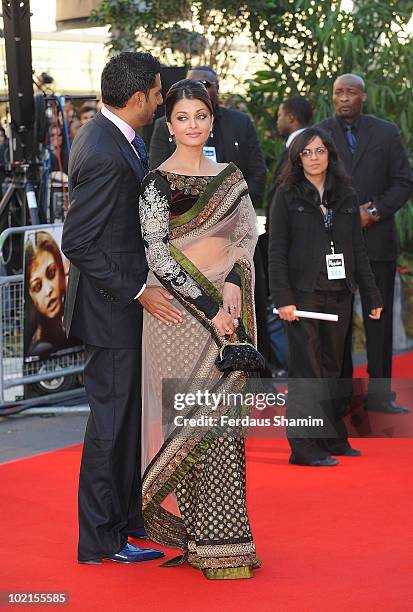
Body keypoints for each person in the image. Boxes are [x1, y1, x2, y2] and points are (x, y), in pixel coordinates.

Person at [62, 52, 182, 565]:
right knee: (110, 427)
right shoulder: (107, 152)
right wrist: (139, 290)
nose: (160, 101)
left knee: (126, 422)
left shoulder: (108, 135)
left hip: (119, 311)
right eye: (157, 93)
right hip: (112, 312)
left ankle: (126, 521)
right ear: (137, 98)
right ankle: (101, 541)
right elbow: (79, 242)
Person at [139, 79, 259, 578]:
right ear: (169, 127)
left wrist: (233, 282)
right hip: (175, 315)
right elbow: (158, 253)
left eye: (201, 116)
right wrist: (210, 307)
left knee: (222, 428)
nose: (193, 126)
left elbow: (246, 233)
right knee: (183, 424)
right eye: (183, 118)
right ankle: (194, 537)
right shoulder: (155, 183)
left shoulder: (230, 177)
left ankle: (228, 542)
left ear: (213, 120)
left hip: (227, 312)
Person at [268, 127, 383, 466]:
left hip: (339, 293)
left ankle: (332, 438)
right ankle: (304, 448)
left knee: (334, 369)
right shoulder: (286, 196)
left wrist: (372, 295)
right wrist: (282, 298)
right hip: (302, 297)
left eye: (320, 151)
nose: (314, 158)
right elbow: (275, 252)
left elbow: (358, 250)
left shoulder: (345, 194)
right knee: (307, 371)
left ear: (330, 154)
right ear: (297, 157)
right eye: (307, 152)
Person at [317, 74, 413, 414]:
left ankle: (380, 394)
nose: (344, 98)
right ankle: (339, 395)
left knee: (379, 319)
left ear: (364, 96)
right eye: (338, 92)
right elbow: (310, 183)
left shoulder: (386, 132)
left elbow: (404, 182)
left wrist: (373, 210)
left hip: (378, 244)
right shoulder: (320, 133)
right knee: (336, 320)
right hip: (335, 245)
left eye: (351, 92)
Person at [149, 66, 267, 207]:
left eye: (204, 84)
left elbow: (258, 172)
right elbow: (158, 171)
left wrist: (236, 207)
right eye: (182, 118)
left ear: (217, 88)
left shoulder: (241, 123)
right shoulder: (163, 125)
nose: (197, 87)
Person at [25, 230, 68, 357]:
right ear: (30, 295)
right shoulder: (40, 348)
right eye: (37, 286)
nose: (48, 290)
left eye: (51, 273)